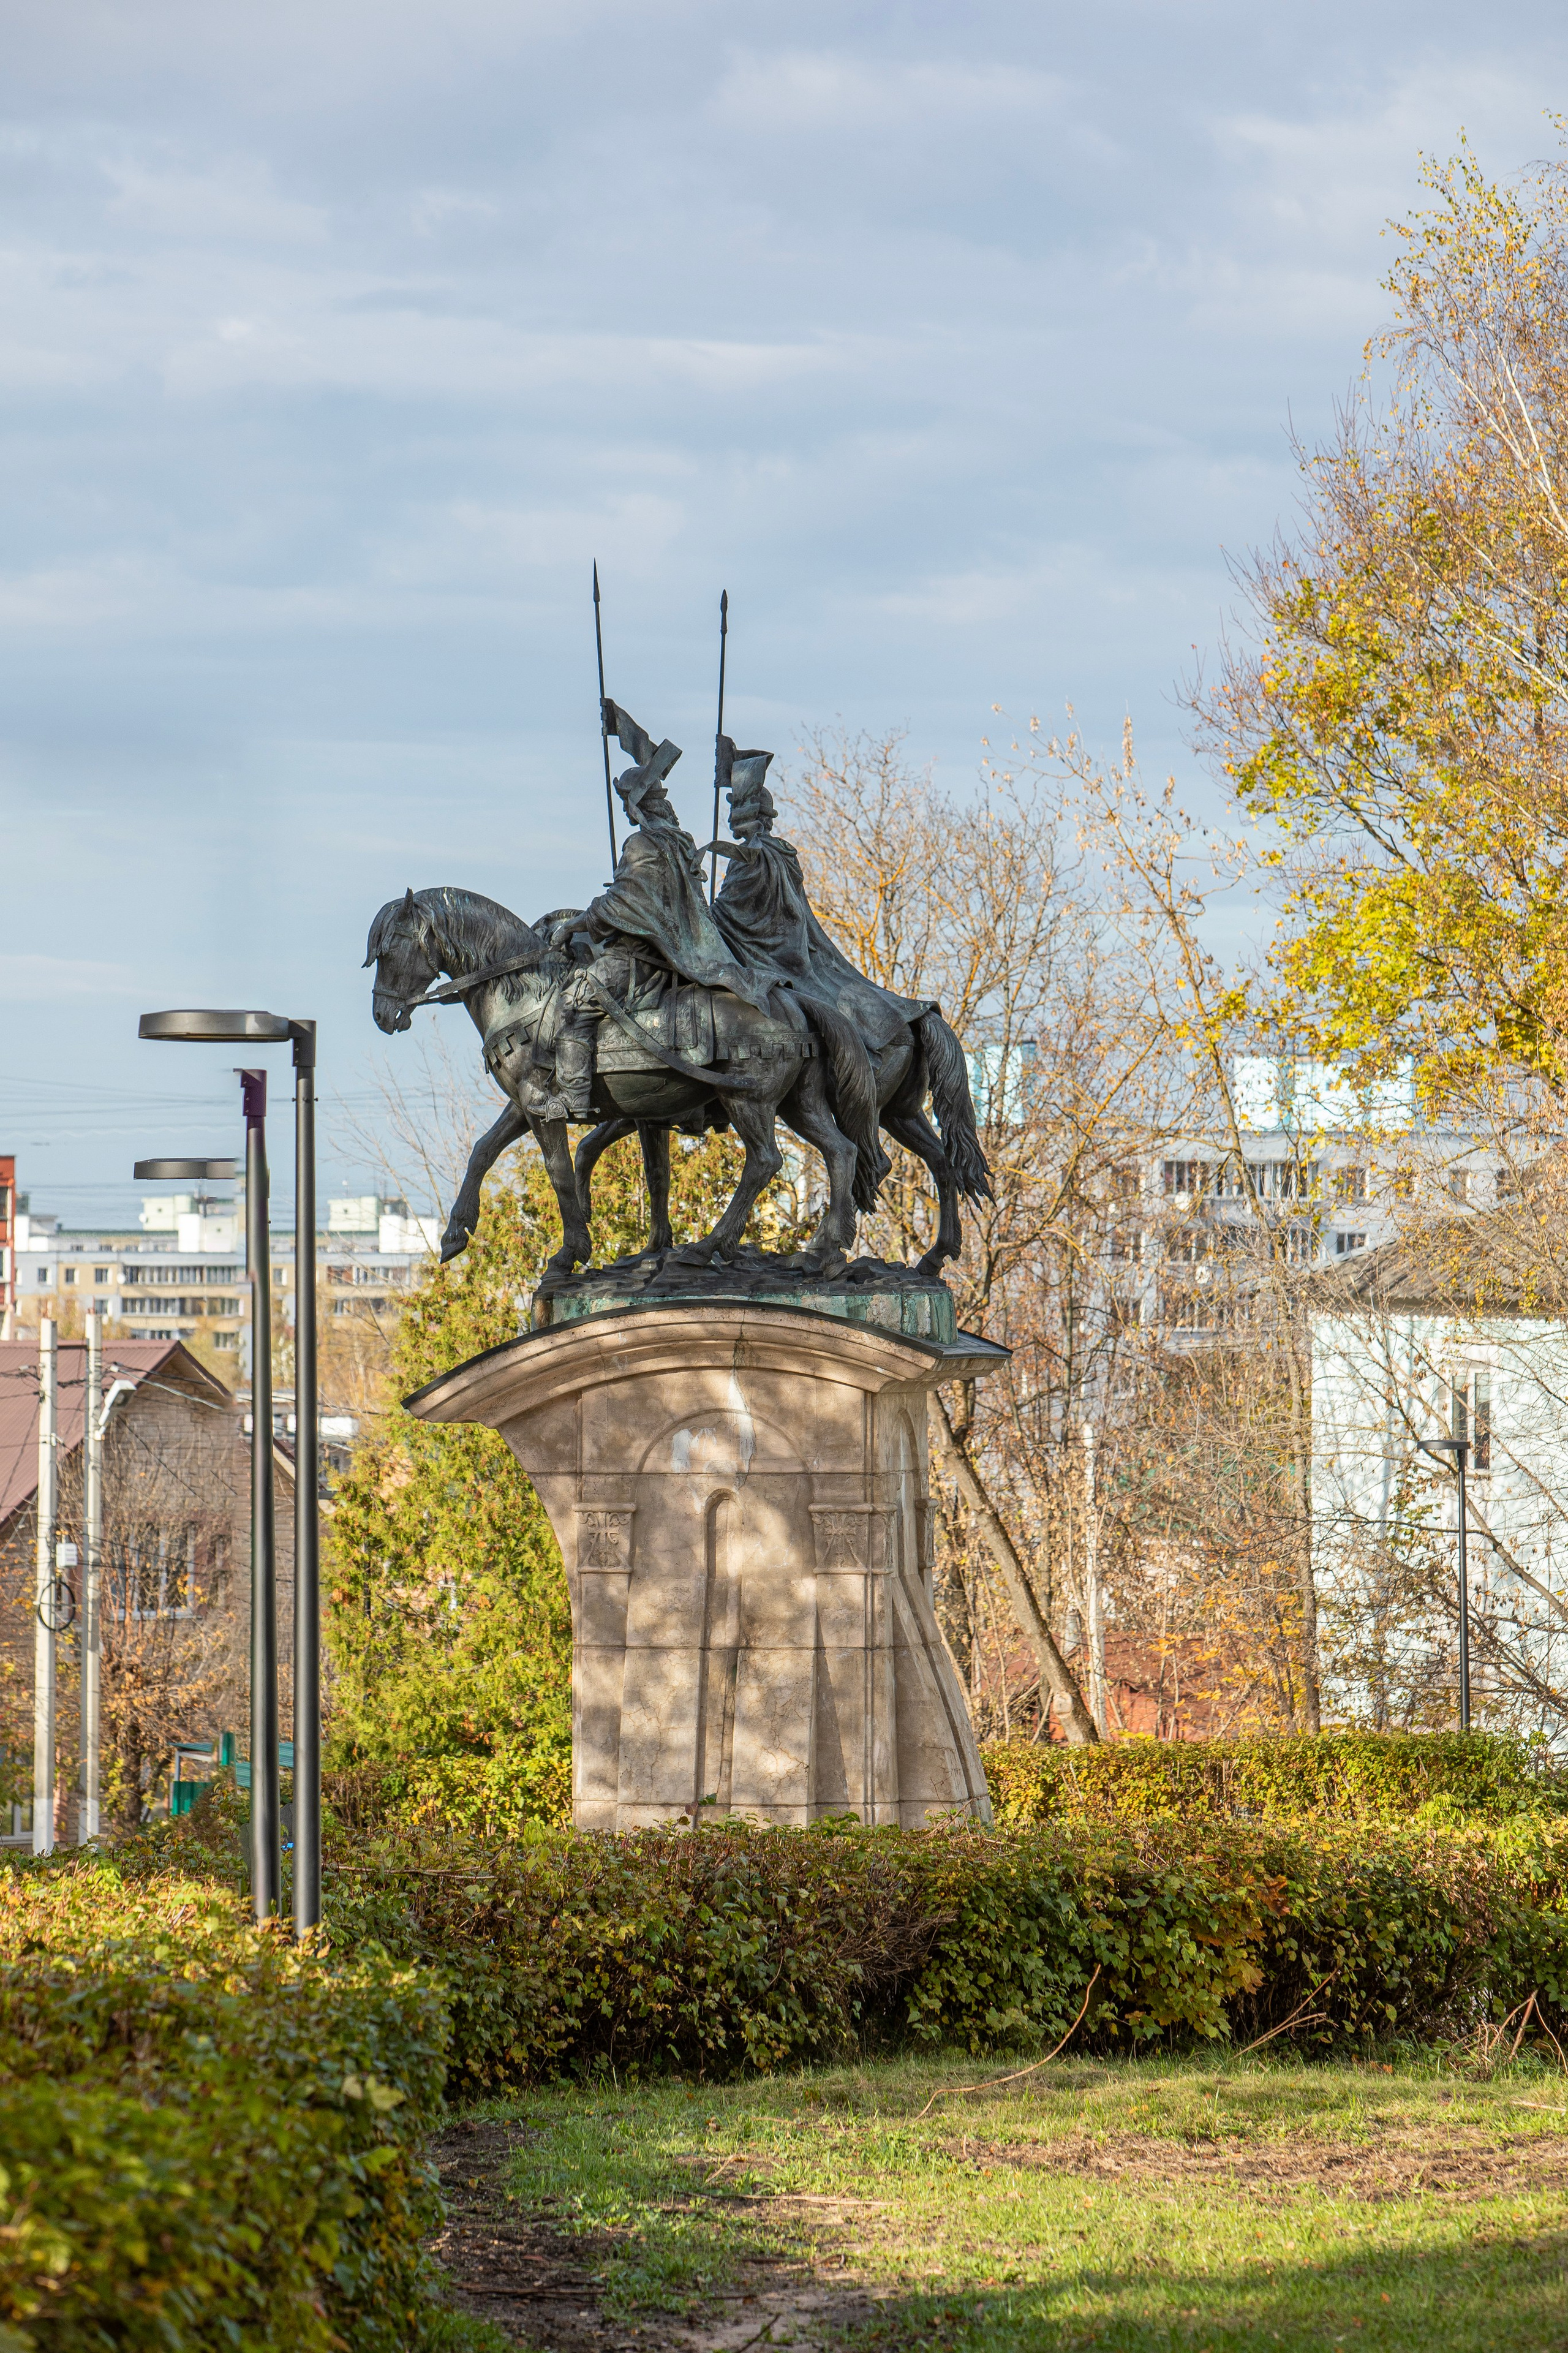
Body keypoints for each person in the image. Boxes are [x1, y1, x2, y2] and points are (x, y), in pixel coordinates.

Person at [547, 703, 776, 1118]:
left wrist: (575, 924)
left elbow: (623, 901)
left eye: (626, 804)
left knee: (574, 1000)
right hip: (681, 958)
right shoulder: (681, 840)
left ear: (637, 806)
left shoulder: (642, 845)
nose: (624, 811)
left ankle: (573, 1095)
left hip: (640, 962)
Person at [709, 740, 933, 1054]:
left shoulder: (749, 857)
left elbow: (730, 914)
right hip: (792, 948)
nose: (732, 817)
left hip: (764, 954)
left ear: (747, 814)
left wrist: (699, 915)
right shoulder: (781, 852)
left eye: (736, 809)